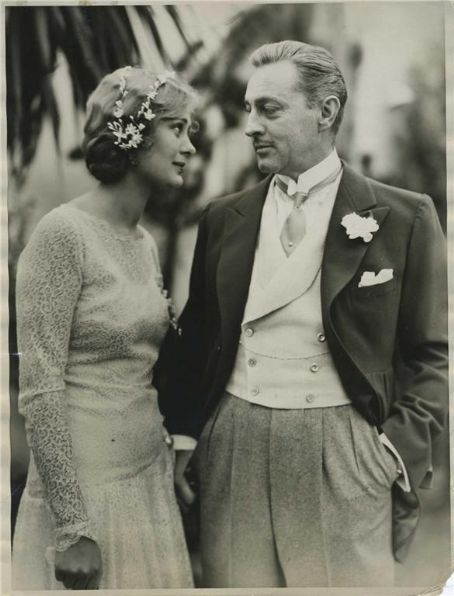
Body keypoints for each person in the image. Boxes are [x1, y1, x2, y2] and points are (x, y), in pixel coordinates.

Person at [155, 41, 448, 588]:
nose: (251, 126)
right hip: (235, 444)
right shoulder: (224, 218)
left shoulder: (405, 217)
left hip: (344, 449)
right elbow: (198, 338)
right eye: (249, 109)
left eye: (269, 109)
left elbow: (432, 354)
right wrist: (191, 437)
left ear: (325, 111)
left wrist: (392, 453)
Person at [13, 66, 197, 590]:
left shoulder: (144, 242)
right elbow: (41, 388)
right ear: (134, 136)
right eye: (177, 129)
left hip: (147, 486)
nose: (189, 147)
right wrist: (73, 528)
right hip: (88, 499)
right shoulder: (62, 234)